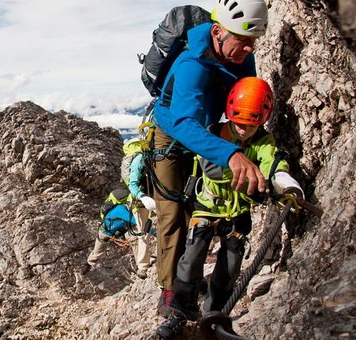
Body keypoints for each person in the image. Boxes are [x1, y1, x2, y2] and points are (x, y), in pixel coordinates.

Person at [155, 77, 304, 338]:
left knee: (231, 265)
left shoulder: (263, 142)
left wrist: (281, 177)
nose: (243, 129)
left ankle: (215, 314)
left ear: (262, 119)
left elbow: (272, 160)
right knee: (191, 257)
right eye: (239, 122)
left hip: (236, 213)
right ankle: (180, 311)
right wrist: (254, 172)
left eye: (250, 124)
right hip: (209, 207)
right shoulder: (214, 133)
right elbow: (211, 169)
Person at [149, 0, 270, 313]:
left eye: (253, 44)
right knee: (173, 213)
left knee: (198, 206)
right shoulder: (192, 64)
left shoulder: (240, 57)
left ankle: (192, 281)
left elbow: (243, 98)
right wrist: (231, 154)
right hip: (172, 137)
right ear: (218, 31)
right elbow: (183, 123)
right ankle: (171, 293)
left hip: (212, 132)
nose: (248, 51)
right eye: (243, 43)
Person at [84, 154, 157, 280]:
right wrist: (156, 232)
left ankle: (89, 264)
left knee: (131, 239)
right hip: (107, 232)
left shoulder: (120, 208)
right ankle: (89, 265)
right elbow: (141, 225)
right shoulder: (121, 211)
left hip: (109, 230)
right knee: (134, 237)